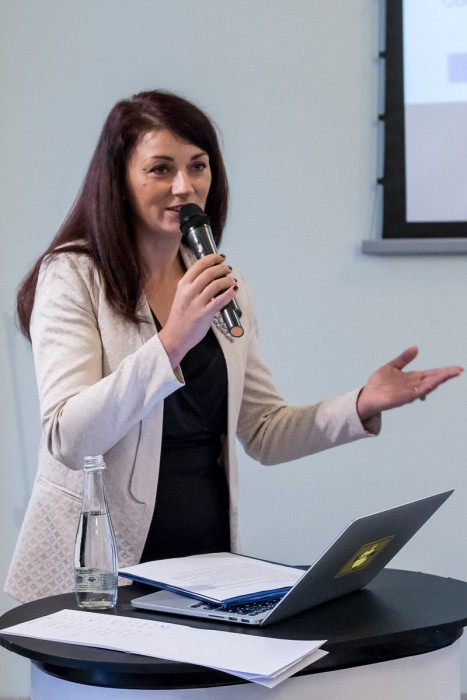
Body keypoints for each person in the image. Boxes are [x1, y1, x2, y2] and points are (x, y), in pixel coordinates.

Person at [5, 90, 463, 604]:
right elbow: (69, 439)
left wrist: (360, 404)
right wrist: (172, 341)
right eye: (161, 169)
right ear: (119, 179)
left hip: (204, 564)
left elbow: (264, 431)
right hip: (100, 573)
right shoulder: (73, 275)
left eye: (198, 166)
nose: (185, 186)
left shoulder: (225, 283)